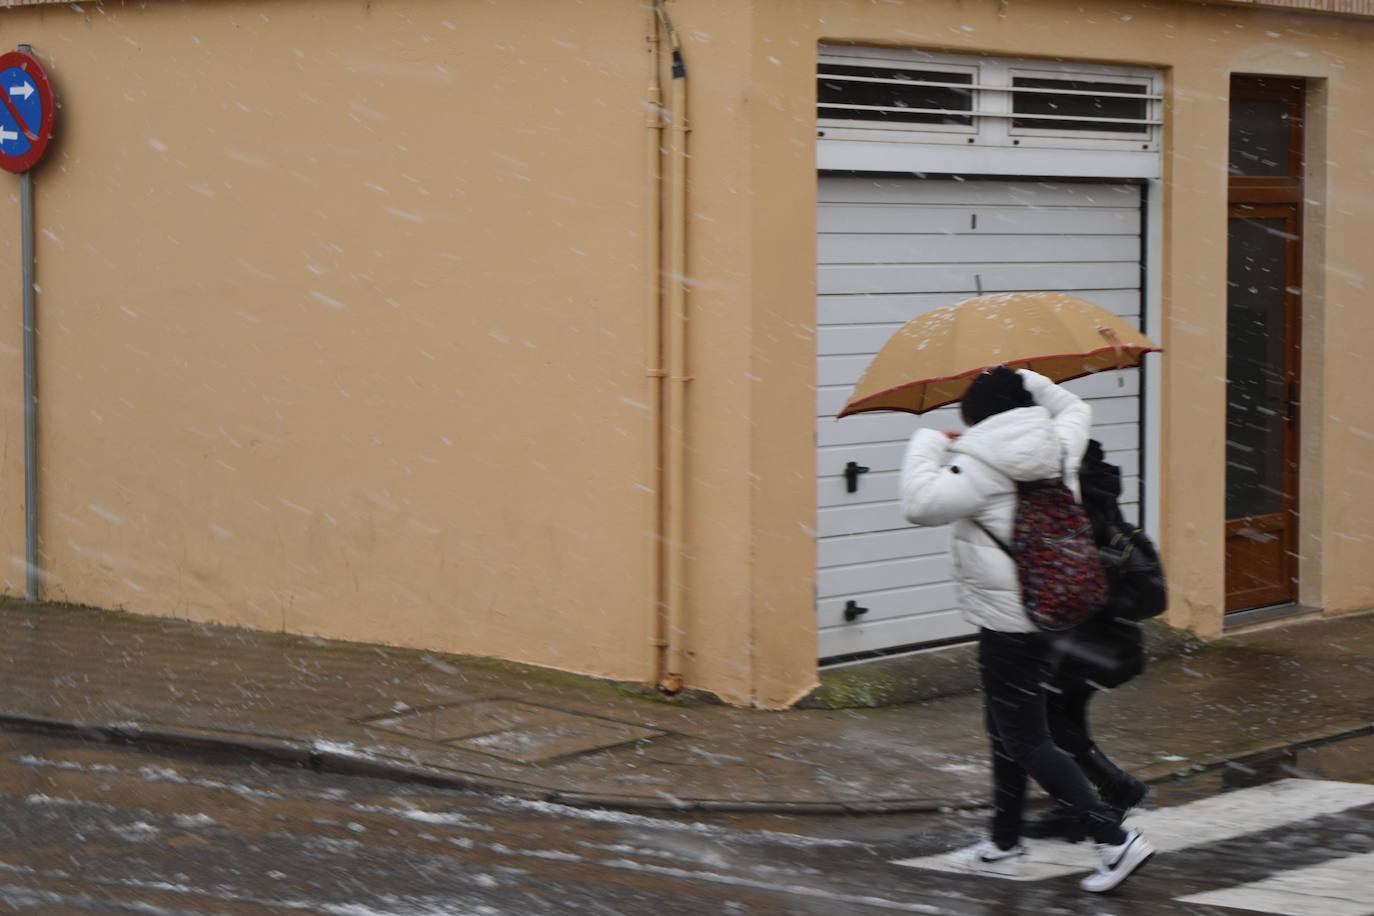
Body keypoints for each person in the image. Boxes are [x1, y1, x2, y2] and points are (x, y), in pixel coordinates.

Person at [899, 367, 1153, 893]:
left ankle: (1111, 837)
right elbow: (1076, 407)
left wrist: (928, 440)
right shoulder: (1058, 444)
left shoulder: (979, 463)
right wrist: (1023, 376)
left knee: (1026, 738)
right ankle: (1004, 842)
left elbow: (918, 505)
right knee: (1006, 730)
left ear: (977, 417)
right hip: (1049, 611)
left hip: (1006, 622)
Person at [1026, 439, 1150, 842]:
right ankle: (1074, 805)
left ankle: (1114, 786)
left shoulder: (1076, 494)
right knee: (1062, 716)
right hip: (1102, 639)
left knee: (1046, 721)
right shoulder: (1095, 486)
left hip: (1090, 641)